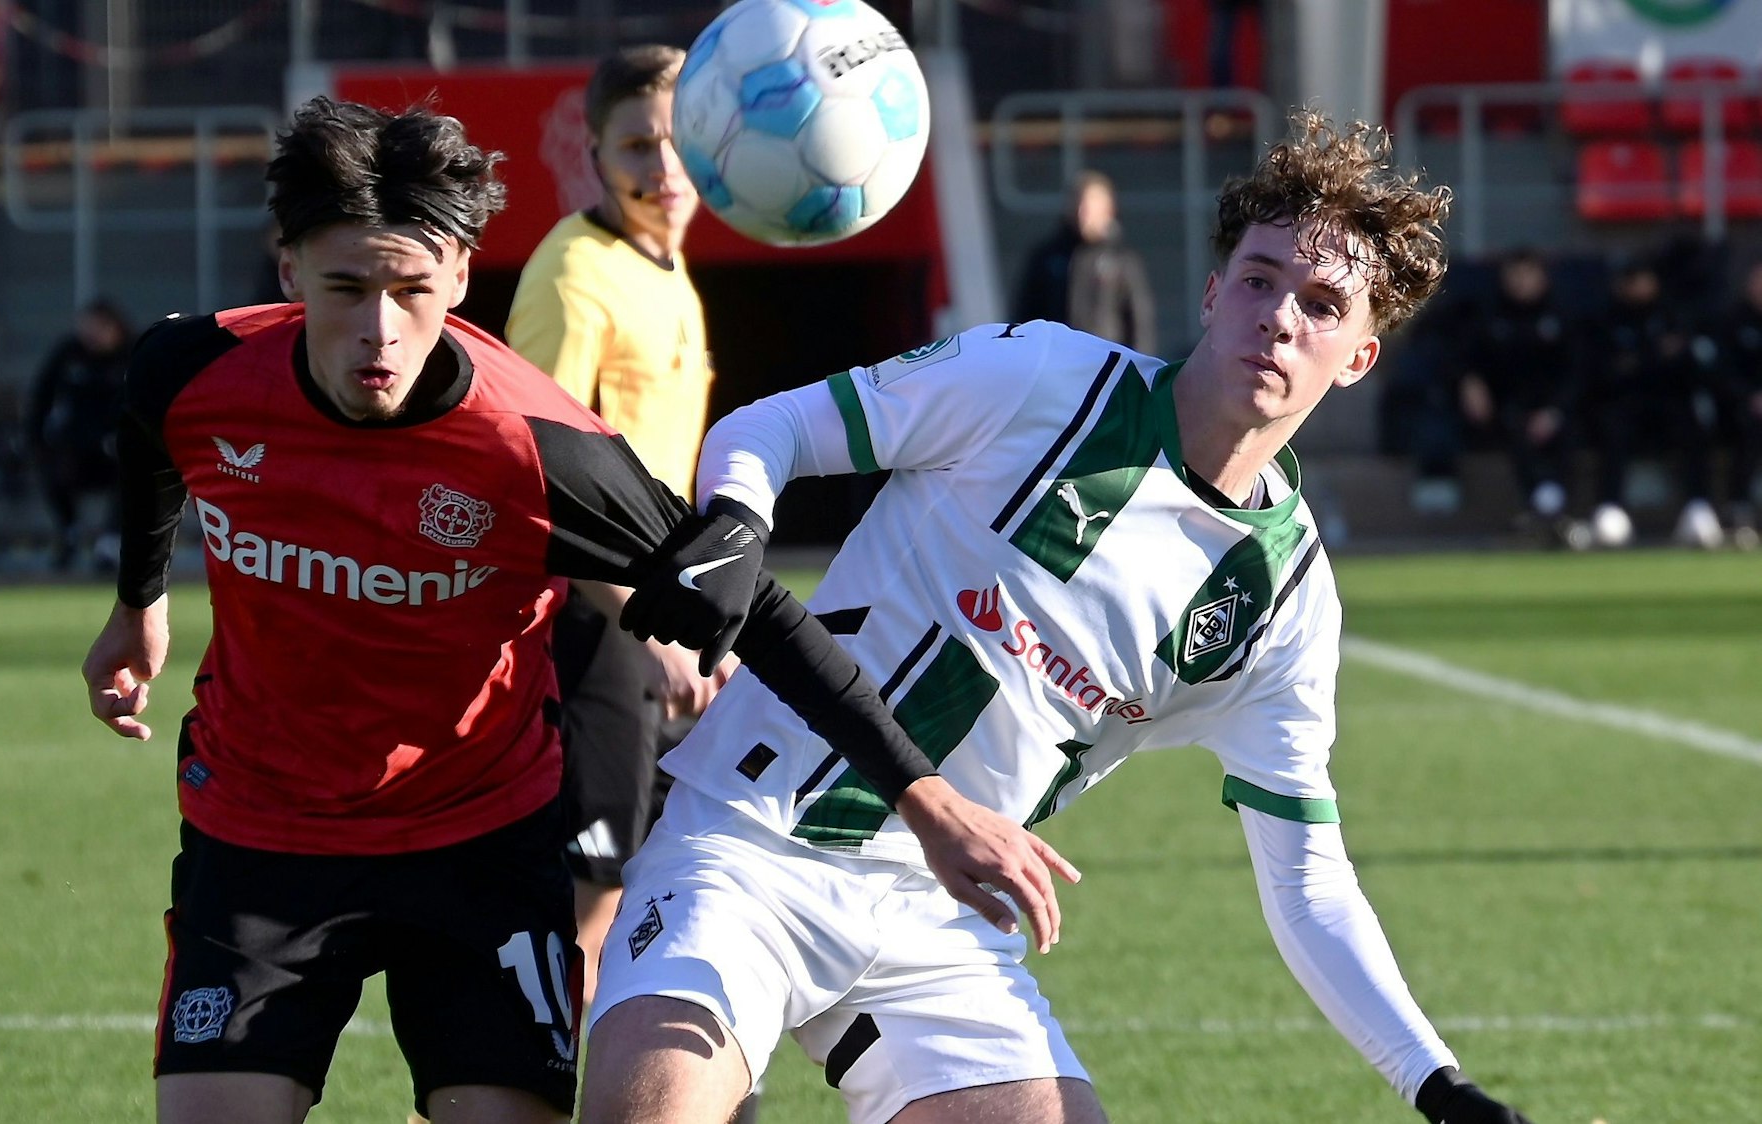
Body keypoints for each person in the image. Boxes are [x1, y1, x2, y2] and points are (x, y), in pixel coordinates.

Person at [79, 95, 1057, 1124]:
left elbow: (760, 610)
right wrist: (138, 601)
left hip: (477, 845)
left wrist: (927, 799)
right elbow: (150, 434)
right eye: (346, 287)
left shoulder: (536, 449)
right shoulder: (192, 368)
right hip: (261, 831)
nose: (379, 327)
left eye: (412, 289)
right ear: (289, 271)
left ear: (459, 277)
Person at [584, 110, 1533, 1124]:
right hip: (748, 840)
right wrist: (736, 521)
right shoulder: (1038, 378)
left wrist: (1438, 1085)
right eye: (1258, 280)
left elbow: (1306, 880)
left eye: (1320, 302)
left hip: (939, 922)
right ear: (1213, 294)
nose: (1279, 317)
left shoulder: (1284, 599)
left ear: (1356, 358)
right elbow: (768, 426)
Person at [505, 42, 726, 1016]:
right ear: (592, 153)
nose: (662, 168)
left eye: (678, 144)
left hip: (644, 621)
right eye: (638, 145)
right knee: (583, 904)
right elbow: (537, 480)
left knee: (648, 893)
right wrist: (649, 626)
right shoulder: (573, 275)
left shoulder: (664, 269)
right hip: (581, 622)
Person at [1579, 255, 1716, 548]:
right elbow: (1604, 373)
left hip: (1668, 402)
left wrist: (1645, 362)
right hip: (1624, 404)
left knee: (1692, 427)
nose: (1640, 288)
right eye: (1634, 282)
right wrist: (1653, 358)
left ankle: (1698, 509)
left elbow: (1688, 367)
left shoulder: (1671, 316)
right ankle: (1609, 509)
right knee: (1613, 428)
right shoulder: (1607, 320)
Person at [1452, 249, 1579, 540]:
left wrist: (1555, 411)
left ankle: (1556, 510)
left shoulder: (1561, 317)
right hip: (1508, 410)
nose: (1521, 282)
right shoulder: (1490, 316)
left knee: (1568, 436)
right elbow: (1465, 360)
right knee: (1515, 429)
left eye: (1527, 274)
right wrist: (1470, 383)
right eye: (1515, 275)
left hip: (1556, 409)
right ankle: (1544, 509)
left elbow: (1576, 371)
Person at [26, 298, 132, 570]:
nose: (92, 335)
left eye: (99, 327)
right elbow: (41, 397)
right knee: (52, 469)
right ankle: (69, 531)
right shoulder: (69, 355)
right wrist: (35, 439)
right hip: (75, 446)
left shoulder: (132, 354)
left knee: (134, 473)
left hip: (118, 447)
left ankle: (110, 541)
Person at [1015, 171, 1157, 355]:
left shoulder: (1122, 259)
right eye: (1078, 205)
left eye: (1090, 207)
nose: (1083, 214)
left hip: (1104, 367)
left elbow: (1140, 321)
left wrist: (1139, 372)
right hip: (1056, 364)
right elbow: (1025, 315)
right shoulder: (1046, 257)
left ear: (1108, 209)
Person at [1700, 257, 1762, 547]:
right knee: (1746, 429)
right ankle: (1739, 508)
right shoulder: (1733, 321)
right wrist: (1750, 396)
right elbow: (1723, 373)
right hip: (1742, 407)